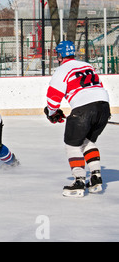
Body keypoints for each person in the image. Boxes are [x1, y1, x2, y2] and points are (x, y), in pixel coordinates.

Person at [45, 40, 110, 197]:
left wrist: (51, 112)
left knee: (72, 145)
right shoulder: (87, 65)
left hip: (84, 109)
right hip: (104, 106)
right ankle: (95, 177)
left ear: (60, 55)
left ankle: (79, 181)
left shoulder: (62, 70)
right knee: (87, 141)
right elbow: (95, 88)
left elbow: (53, 99)